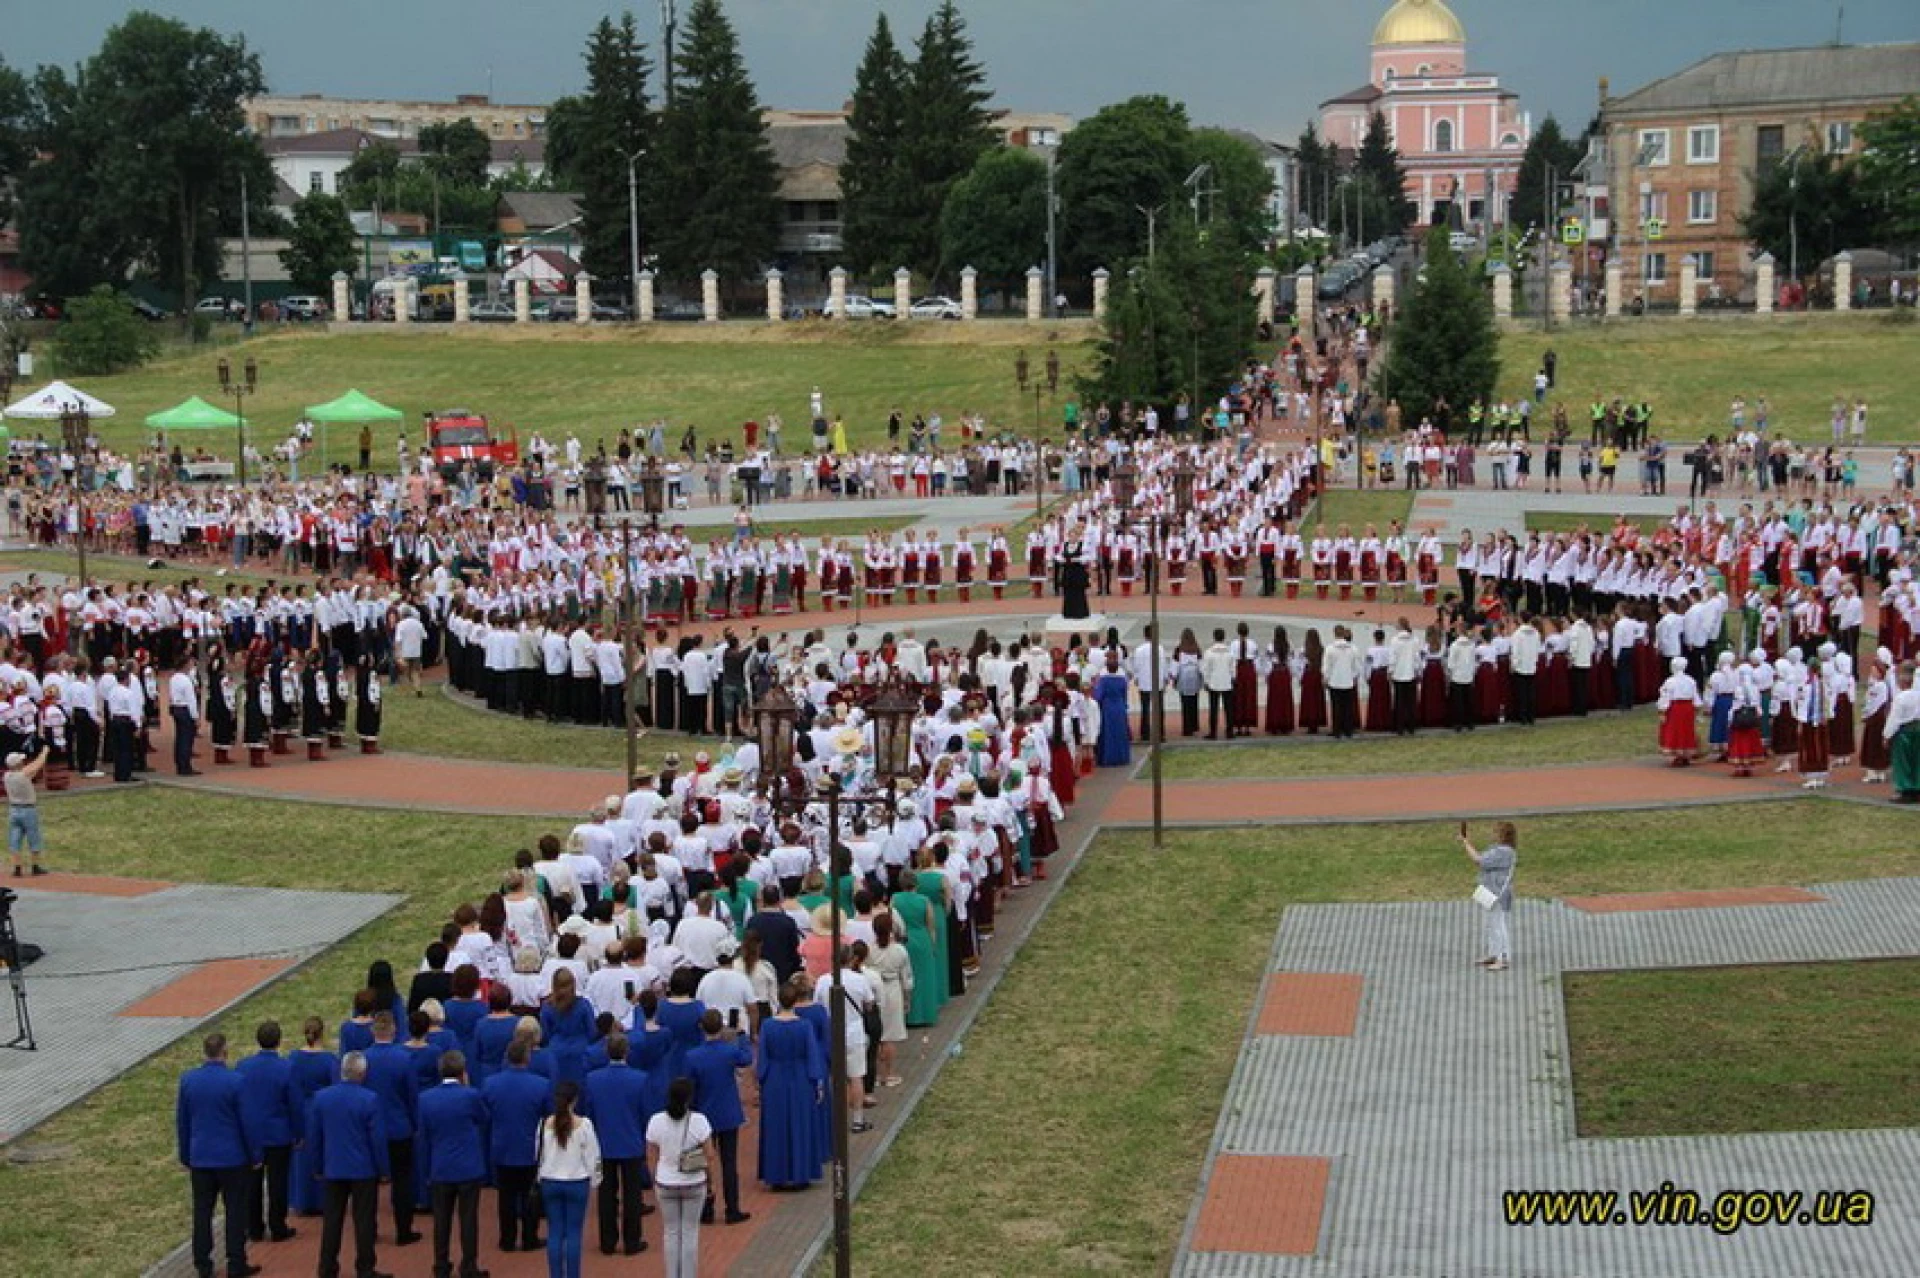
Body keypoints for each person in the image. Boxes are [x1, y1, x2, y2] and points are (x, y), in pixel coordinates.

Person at [176, 1032, 260, 1278]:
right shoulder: (236, 1081)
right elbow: (248, 1122)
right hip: (232, 1158)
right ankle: (236, 1262)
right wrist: (255, 1154)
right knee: (234, 1210)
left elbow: (183, 1121)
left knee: (202, 1211)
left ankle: (203, 1263)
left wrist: (185, 1154)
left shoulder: (189, 1080)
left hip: (201, 1156)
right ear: (224, 1052)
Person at [309, 1050, 389, 1278]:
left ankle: (327, 1266)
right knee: (364, 1220)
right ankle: (365, 1267)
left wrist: (317, 1166)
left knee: (332, 1220)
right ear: (363, 1073)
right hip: (363, 1169)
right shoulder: (370, 1099)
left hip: (333, 1167)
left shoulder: (322, 1098)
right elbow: (377, 1139)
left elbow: (315, 1136)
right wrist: (383, 1169)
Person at [416, 1049, 491, 1278]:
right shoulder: (470, 1095)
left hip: (441, 1167)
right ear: (462, 1072)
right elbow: (484, 1119)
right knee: (468, 1219)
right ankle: (468, 1265)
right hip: (468, 1167)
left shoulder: (425, 1098)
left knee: (441, 1220)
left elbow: (424, 1135)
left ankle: (441, 1265)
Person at [581, 1031, 652, 1256]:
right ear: (627, 1052)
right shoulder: (640, 1079)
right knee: (632, 1194)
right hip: (630, 1141)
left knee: (605, 1194)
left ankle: (608, 1241)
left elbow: (588, 1112)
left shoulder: (593, 1079)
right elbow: (645, 1113)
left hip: (603, 1142)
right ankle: (632, 1241)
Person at [684, 1009, 754, 1225]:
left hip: (703, 1114)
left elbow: (689, 1085)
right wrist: (741, 1036)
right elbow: (747, 1059)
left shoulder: (692, 1056)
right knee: (729, 1162)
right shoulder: (728, 1052)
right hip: (728, 1113)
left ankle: (706, 1207)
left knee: (703, 1162)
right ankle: (732, 1208)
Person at [482, 1037, 550, 1253]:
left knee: (506, 1195)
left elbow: (485, 1115)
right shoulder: (541, 1084)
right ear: (527, 1058)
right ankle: (529, 1237)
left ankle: (507, 1239)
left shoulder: (490, 1084)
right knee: (530, 1194)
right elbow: (548, 1115)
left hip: (502, 1146)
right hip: (529, 1147)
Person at [235, 1021, 298, 1247]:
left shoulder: (242, 1067)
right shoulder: (286, 1068)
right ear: (279, 1041)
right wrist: (298, 1132)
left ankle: (254, 1227)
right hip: (278, 1133)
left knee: (252, 1183)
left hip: (251, 1133)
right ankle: (278, 1226)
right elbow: (294, 1103)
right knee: (278, 1182)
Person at [646, 1075, 716, 1278]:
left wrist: (655, 1177)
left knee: (670, 1232)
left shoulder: (656, 1121)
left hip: (665, 1182)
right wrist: (711, 1183)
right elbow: (709, 1156)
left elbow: (651, 1154)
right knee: (690, 1232)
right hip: (693, 1182)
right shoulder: (699, 1121)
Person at [537, 1080, 601, 1278]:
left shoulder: (543, 1124)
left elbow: (537, 1154)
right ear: (575, 1100)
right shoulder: (584, 1125)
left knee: (554, 1232)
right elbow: (593, 1156)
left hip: (550, 1181)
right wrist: (595, 1180)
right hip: (576, 1182)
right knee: (574, 1233)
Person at [1462, 822, 1517, 972]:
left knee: (1498, 924)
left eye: (1496, 832)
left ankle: (1503, 957)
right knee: (1491, 923)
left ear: (1503, 835)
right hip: (1490, 890)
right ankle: (1494, 953)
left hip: (1498, 893)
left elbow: (1480, 861)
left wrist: (1466, 843)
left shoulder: (1504, 852)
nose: (1492, 834)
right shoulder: (1499, 850)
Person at [6, 746, 49, 877]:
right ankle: (35, 866)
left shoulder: (7, 776)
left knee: (15, 839)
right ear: (18, 764)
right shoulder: (23, 774)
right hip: (28, 810)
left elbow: (31, 770)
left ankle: (17, 867)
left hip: (13, 810)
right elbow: (37, 765)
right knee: (33, 837)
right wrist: (44, 752)